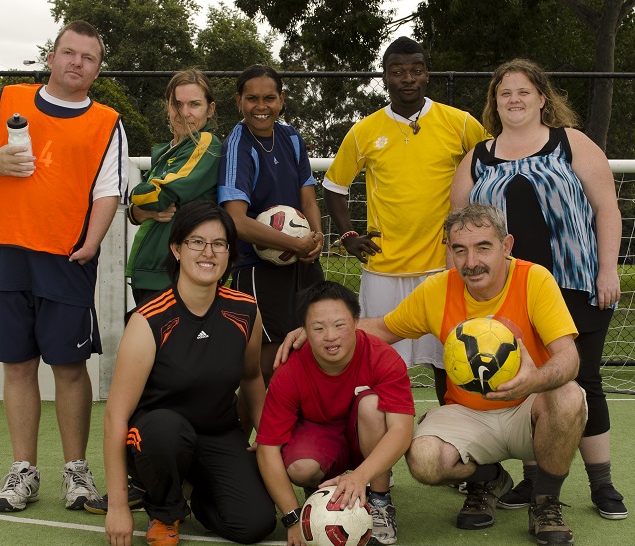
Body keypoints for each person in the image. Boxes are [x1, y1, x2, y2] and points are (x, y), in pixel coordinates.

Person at [279, 204, 586, 546]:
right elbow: (382, 328)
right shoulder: (438, 289)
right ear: (450, 251)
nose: (471, 261)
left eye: (483, 247)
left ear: (506, 246)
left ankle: (545, 504)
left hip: (528, 408)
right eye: (460, 249)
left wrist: (535, 381)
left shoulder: (534, 279)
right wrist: (319, 330)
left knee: (570, 395)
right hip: (467, 414)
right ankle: (488, 479)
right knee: (423, 460)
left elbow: (569, 358)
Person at [0, 20, 129, 513]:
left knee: (70, 367)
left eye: (88, 58)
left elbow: (108, 189)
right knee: (17, 363)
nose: (77, 63)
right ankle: (23, 470)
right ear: (50, 58)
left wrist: (91, 244)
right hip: (7, 250)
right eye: (69, 53)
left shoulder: (107, 121)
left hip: (66, 257)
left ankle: (76, 471)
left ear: (97, 69)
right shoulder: (8, 98)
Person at [449, 58, 626, 521]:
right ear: (495, 102)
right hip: (509, 293)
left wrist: (608, 268)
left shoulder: (573, 144)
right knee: (521, 382)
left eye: (524, 92)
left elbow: (606, 207)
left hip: (573, 283)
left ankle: (602, 485)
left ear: (543, 98)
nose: (514, 100)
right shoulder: (479, 158)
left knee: (581, 381)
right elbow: (457, 230)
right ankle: (536, 483)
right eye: (505, 93)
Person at [323, 36, 488, 404]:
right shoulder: (365, 130)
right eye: (398, 72)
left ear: (427, 74)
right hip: (384, 266)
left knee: (453, 362)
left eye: (416, 70)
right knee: (379, 368)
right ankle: (378, 452)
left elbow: (493, 167)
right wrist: (349, 234)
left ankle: (454, 440)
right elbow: (333, 186)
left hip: (443, 267)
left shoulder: (460, 124)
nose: (408, 78)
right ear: (384, 78)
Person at [102, 201, 276, 546]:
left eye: (219, 244)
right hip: (156, 439)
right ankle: (164, 511)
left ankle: (194, 495)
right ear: (177, 248)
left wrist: (271, 439)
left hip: (217, 434)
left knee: (255, 524)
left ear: (229, 252)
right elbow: (115, 416)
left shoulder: (245, 311)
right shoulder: (148, 320)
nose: (208, 252)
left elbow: (252, 379)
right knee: (166, 430)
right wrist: (118, 506)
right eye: (197, 242)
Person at [256, 281, 415, 546]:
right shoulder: (289, 370)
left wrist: (360, 476)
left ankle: (379, 499)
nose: (330, 336)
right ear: (304, 331)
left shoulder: (383, 357)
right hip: (323, 437)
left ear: (355, 322)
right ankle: (319, 490)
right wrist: (293, 517)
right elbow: (267, 448)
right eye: (318, 328)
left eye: (340, 325)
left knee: (372, 405)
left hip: (366, 431)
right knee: (300, 468)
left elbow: (402, 431)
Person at [218, 64, 325, 387]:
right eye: (252, 99)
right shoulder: (238, 146)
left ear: (282, 99)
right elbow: (236, 221)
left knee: (312, 346)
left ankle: (299, 434)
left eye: (269, 98)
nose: (261, 107)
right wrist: (294, 244)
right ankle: (249, 437)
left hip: (302, 262)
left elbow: (308, 199)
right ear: (239, 101)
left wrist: (316, 237)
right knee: (267, 363)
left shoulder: (291, 137)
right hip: (257, 269)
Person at [125, 69, 221, 305]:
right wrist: (140, 209)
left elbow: (156, 195)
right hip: (148, 270)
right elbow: (138, 211)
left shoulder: (206, 144)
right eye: (177, 104)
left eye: (194, 104)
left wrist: (138, 196)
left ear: (210, 110)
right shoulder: (166, 151)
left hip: (177, 274)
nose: (184, 113)